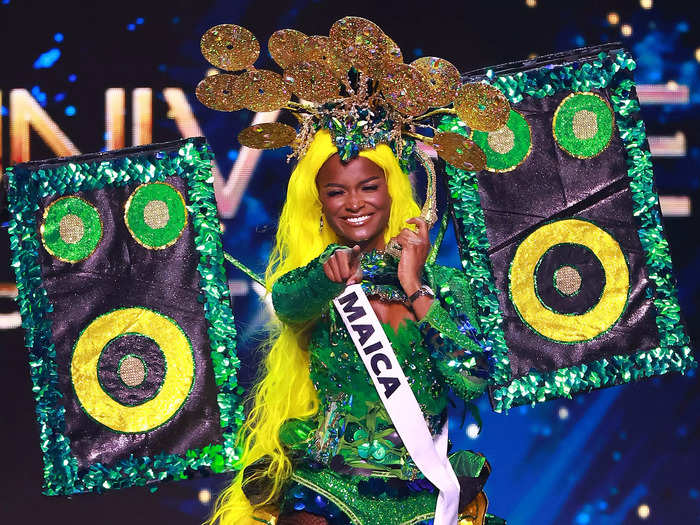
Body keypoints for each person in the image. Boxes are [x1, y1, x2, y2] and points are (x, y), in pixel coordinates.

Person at [207, 129, 495, 525]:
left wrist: (414, 284)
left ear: (391, 189)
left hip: (422, 495)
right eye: (336, 192)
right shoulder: (320, 280)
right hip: (329, 487)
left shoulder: (444, 286)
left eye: (369, 187)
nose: (354, 203)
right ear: (320, 203)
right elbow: (289, 306)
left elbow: (472, 380)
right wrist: (327, 278)